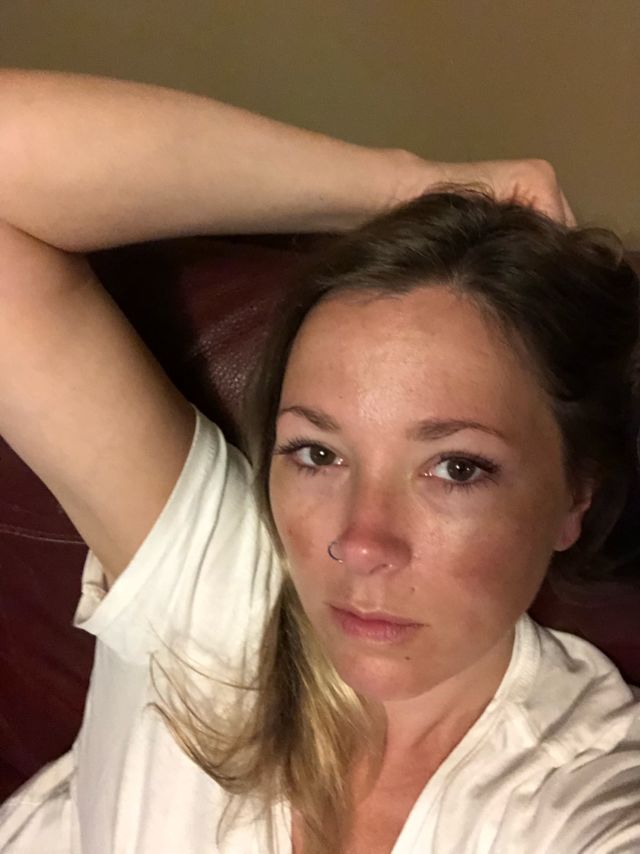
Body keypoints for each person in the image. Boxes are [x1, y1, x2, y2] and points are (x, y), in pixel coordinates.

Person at [0, 69, 637, 854]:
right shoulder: (221, 600)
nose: (361, 543)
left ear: (576, 494)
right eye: (317, 453)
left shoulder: (582, 798)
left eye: (455, 468)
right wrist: (409, 188)